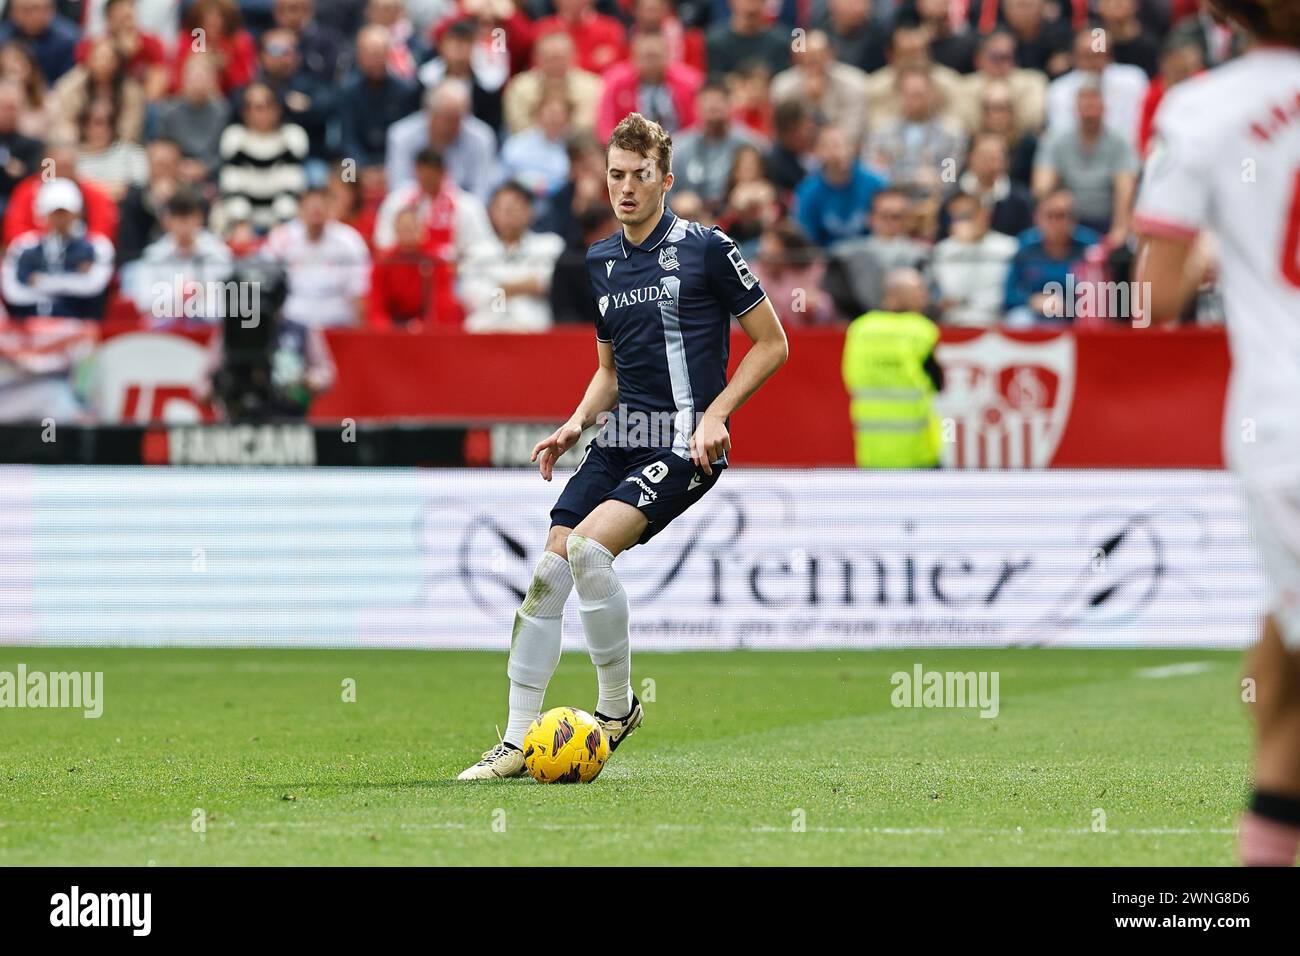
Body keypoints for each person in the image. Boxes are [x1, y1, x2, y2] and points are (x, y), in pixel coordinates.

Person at [457, 112, 788, 780]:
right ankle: (518, 741)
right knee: (549, 572)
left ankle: (616, 708)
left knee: (586, 550)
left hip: (685, 443)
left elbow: (773, 343)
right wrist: (575, 423)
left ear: (666, 179)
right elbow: (608, 373)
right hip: (620, 438)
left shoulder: (707, 248)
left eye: (641, 176)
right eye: (616, 175)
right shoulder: (601, 262)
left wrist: (717, 416)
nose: (626, 188)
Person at [1131, 0, 1300, 867]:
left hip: (1282, 428)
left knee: (1282, 666)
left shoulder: (1201, 108)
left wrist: (1209, 256)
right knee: (1280, 664)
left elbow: (1154, 299)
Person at [840, 267, 943, 468]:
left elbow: (849, 377)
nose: (924, 296)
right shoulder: (922, 330)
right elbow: (939, 384)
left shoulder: (860, 329)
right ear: (894, 295)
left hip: (871, 454)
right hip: (918, 454)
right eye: (918, 290)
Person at [2, 177, 115, 320]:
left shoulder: (97, 245)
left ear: (78, 212)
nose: (60, 219)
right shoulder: (23, 246)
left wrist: (40, 281)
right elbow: (13, 292)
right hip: (31, 324)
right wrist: (70, 281)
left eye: (65, 212)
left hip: (79, 321)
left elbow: (93, 286)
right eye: (54, 213)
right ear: (43, 214)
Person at [459, 181, 565, 332]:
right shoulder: (476, 252)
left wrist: (499, 287)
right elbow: (473, 295)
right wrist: (523, 286)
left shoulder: (551, 245)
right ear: (492, 212)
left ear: (530, 210)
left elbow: (549, 282)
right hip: (486, 329)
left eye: (515, 208)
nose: (508, 214)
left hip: (535, 328)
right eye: (502, 208)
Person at [262, 187, 371, 328]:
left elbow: (359, 289)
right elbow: (264, 275)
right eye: (310, 208)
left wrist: (360, 328)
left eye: (320, 208)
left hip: (337, 315)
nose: (315, 213)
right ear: (300, 210)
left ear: (330, 209)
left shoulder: (350, 240)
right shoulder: (283, 236)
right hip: (294, 314)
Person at [126, 188, 234, 323]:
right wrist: (180, 294)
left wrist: (197, 301)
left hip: (207, 327)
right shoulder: (154, 255)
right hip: (165, 330)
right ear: (167, 220)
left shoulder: (218, 253)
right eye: (177, 216)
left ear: (199, 218)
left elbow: (226, 302)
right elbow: (143, 301)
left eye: (188, 216)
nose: (183, 223)